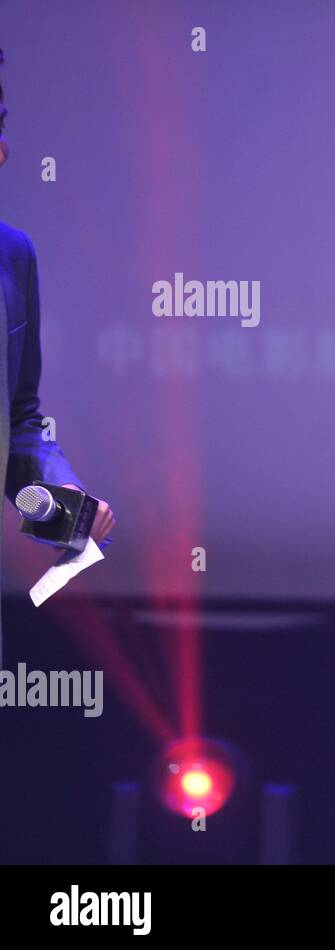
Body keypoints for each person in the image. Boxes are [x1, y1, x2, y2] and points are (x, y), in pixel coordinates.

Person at [0, 47, 115, 664]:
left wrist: (58, 489)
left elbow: (18, 417)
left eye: (0, 122)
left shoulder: (12, 255)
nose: (3, 150)